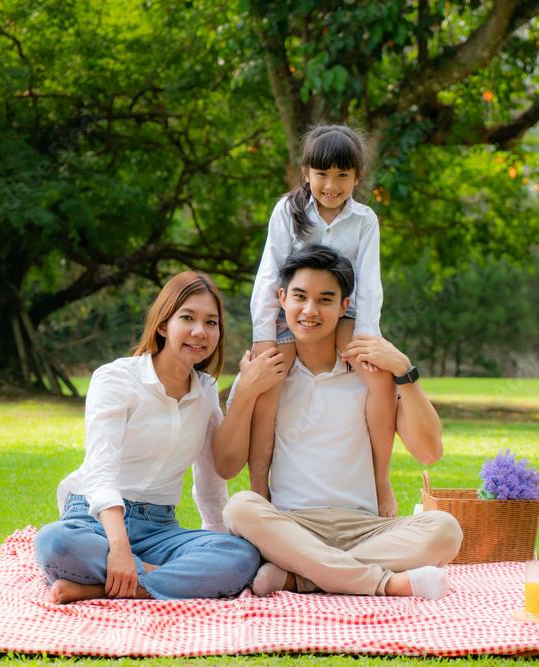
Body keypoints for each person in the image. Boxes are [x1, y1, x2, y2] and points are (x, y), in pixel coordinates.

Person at [214, 246, 462, 600]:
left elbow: (429, 451)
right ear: (282, 299)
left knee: (445, 530)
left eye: (325, 299)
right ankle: (383, 583)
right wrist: (246, 393)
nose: (310, 310)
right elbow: (225, 465)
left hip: (365, 527)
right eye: (300, 297)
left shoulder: (370, 374)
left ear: (344, 307)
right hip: (292, 525)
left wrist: (406, 371)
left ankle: (300, 577)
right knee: (239, 507)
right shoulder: (266, 374)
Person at [34, 271, 260, 603]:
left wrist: (215, 541)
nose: (201, 331)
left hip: (159, 528)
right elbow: (101, 470)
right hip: (95, 521)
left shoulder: (207, 391)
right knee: (54, 543)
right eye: (188, 318)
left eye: (212, 323)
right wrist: (118, 548)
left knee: (242, 555)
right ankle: (158, 580)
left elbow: (210, 478)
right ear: (163, 325)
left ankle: (102, 588)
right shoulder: (115, 378)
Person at [249, 124, 399, 517]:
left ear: (358, 177)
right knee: (269, 384)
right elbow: (269, 274)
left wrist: (367, 338)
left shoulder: (365, 220)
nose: (331, 185)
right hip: (293, 310)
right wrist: (264, 335)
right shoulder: (288, 211)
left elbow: (369, 284)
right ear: (306, 172)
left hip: (344, 311)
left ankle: (380, 480)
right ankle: (257, 488)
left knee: (379, 379)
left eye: (342, 176)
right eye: (322, 175)